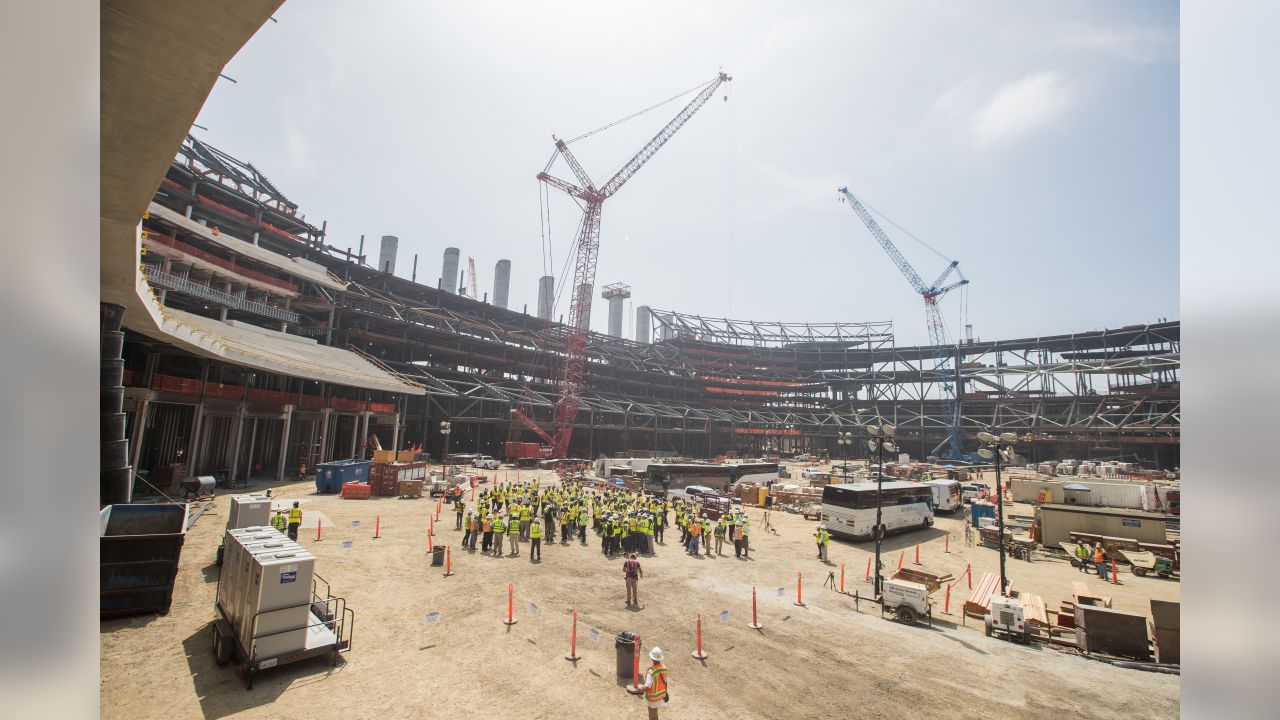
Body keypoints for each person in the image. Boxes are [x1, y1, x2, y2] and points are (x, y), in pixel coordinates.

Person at [640, 646, 669, 719]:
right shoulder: (664, 668)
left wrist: (639, 689)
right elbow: (665, 682)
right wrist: (666, 693)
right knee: (655, 714)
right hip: (661, 696)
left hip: (653, 700)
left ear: (652, 658)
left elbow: (647, 687)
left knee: (653, 716)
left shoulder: (651, 672)